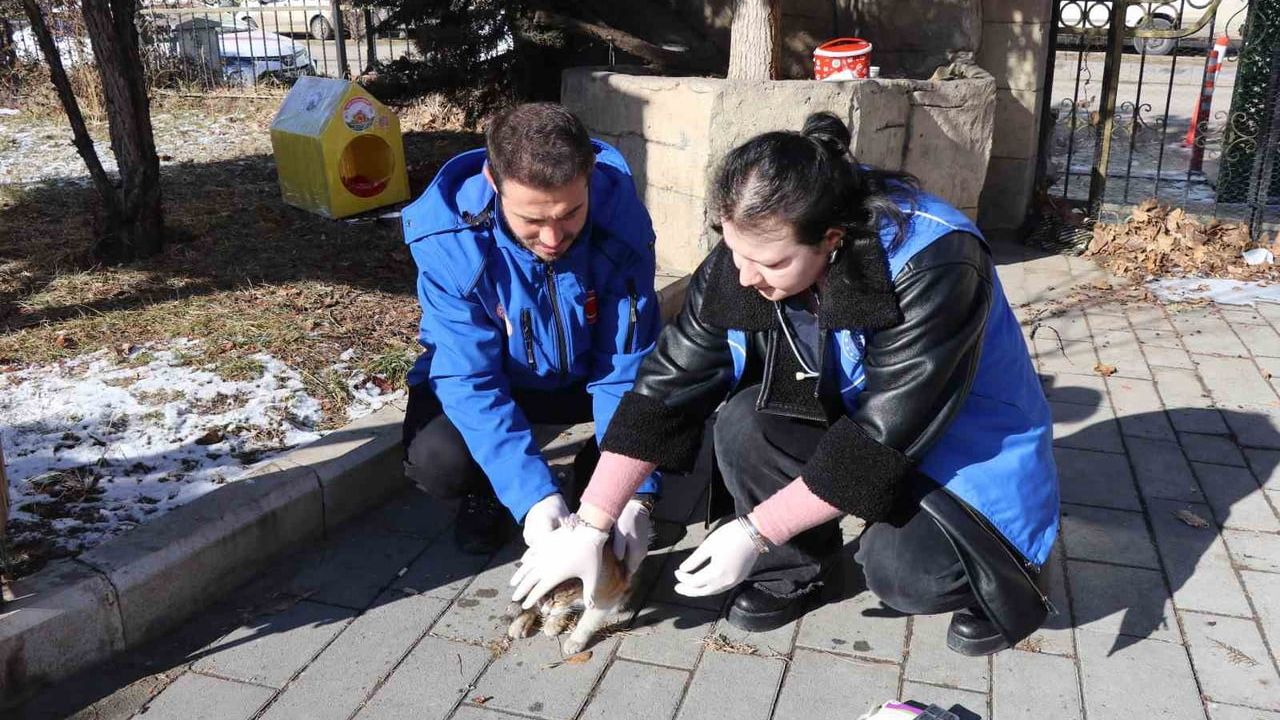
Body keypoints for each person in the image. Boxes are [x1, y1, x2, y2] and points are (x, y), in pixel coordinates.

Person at [509, 112, 1060, 656]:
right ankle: (798, 570)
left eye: (768, 263)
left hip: (961, 447)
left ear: (832, 240)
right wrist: (593, 521)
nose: (746, 277)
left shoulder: (936, 263)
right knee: (746, 422)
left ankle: (1010, 563)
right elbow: (669, 384)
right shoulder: (757, 243)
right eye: (735, 252)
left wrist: (754, 530)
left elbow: (881, 441)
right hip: (857, 420)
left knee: (905, 577)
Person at [400, 103, 661, 560]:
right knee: (437, 459)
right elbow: (469, 379)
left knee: (670, 414)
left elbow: (624, 368)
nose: (554, 239)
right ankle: (492, 490)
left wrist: (631, 492)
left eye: (570, 213)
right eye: (533, 221)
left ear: (590, 175)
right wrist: (534, 496)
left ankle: (596, 471)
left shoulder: (622, 225)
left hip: (586, 376)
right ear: (492, 182)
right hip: (498, 379)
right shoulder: (449, 241)